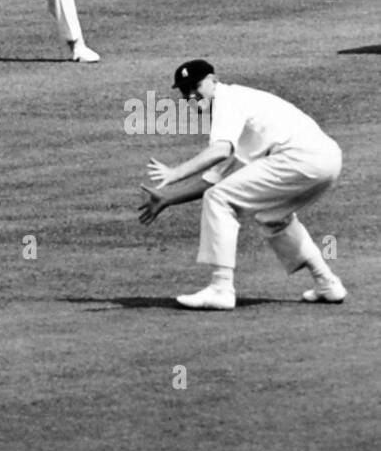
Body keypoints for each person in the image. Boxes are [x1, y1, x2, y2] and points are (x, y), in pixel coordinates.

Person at [137, 59, 347, 310]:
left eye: (196, 86)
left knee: (219, 199)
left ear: (213, 80)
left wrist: (175, 173)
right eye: (185, 90)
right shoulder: (235, 106)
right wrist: (169, 197)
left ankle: (221, 288)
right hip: (325, 159)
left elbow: (220, 151)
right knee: (272, 216)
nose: (191, 94)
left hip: (301, 157)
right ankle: (327, 282)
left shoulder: (227, 100)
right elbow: (216, 176)